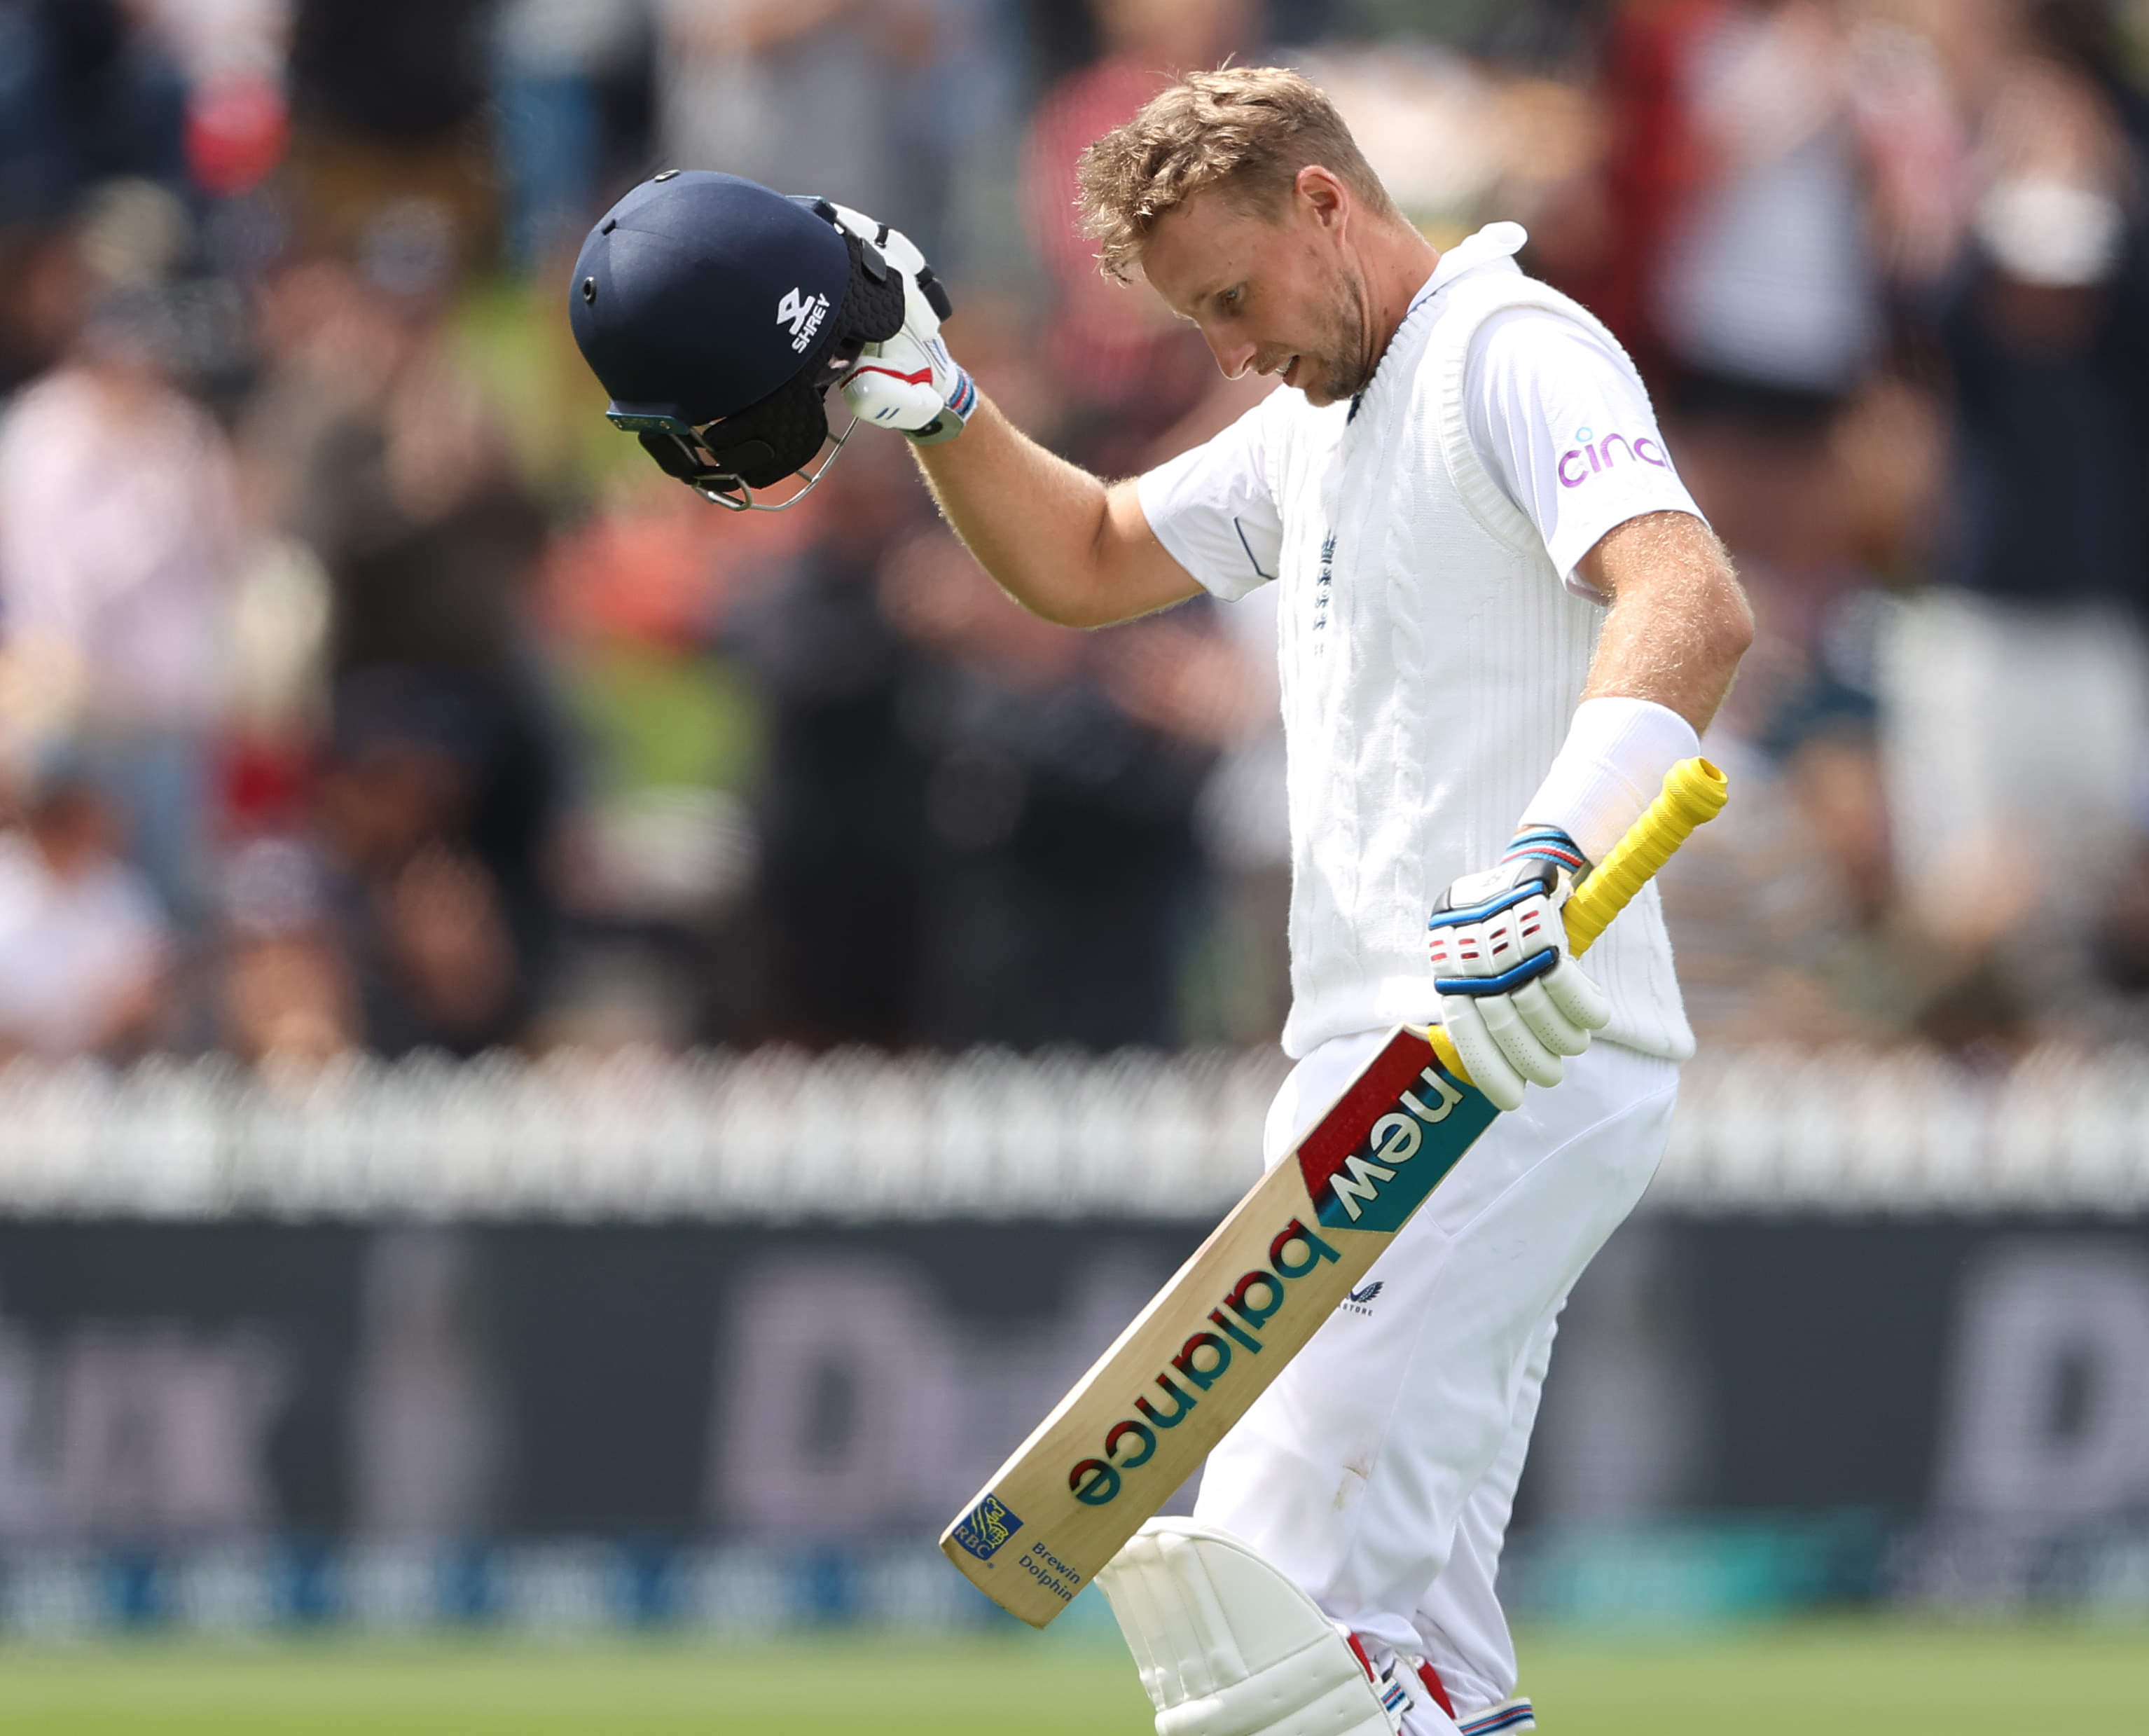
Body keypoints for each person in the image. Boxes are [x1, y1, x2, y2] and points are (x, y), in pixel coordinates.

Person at [567, 67, 1750, 1735]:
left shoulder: (1506, 347)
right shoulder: (1324, 415)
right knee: (1403, 1657)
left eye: (1231, 299)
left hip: (1501, 1050)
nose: (1230, 350)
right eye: (1197, 320)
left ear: (1321, 203)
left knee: (1264, 1636)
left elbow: (1686, 595)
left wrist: (1552, 853)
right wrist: (942, 406)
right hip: (1377, 1068)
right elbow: (1096, 557)